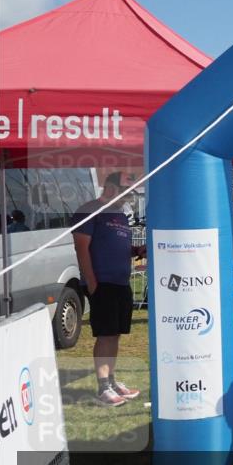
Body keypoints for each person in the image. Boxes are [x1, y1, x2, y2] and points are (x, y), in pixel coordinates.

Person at [71, 172, 145, 407]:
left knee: (114, 334)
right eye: (125, 192)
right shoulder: (89, 210)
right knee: (105, 335)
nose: (127, 198)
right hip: (102, 283)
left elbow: (116, 245)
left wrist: (136, 250)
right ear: (111, 188)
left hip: (121, 282)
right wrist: (92, 282)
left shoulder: (120, 215)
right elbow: (81, 248)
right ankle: (103, 386)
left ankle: (111, 380)